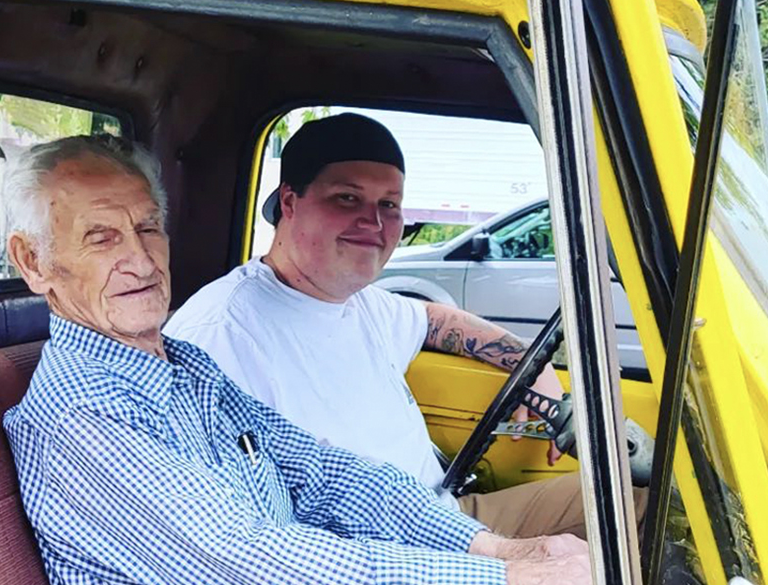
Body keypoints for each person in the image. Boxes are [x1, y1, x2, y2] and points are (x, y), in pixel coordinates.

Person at [0, 133, 608, 585]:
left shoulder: (181, 367)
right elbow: (255, 560)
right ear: (35, 263)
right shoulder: (80, 421)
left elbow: (328, 476)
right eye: (101, 238)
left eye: (148, 227)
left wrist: (492, 549)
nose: (139, 258)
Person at [165, 113, 592, 539]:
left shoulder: (363, 303)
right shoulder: (218, 338)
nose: (373, 223)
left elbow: (435, 320)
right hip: (379, 564)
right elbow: (228, 530)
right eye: (347, 198)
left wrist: (532, 367)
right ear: (290, 202)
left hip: (449, 518)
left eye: (388, 204)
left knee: (635, 507)